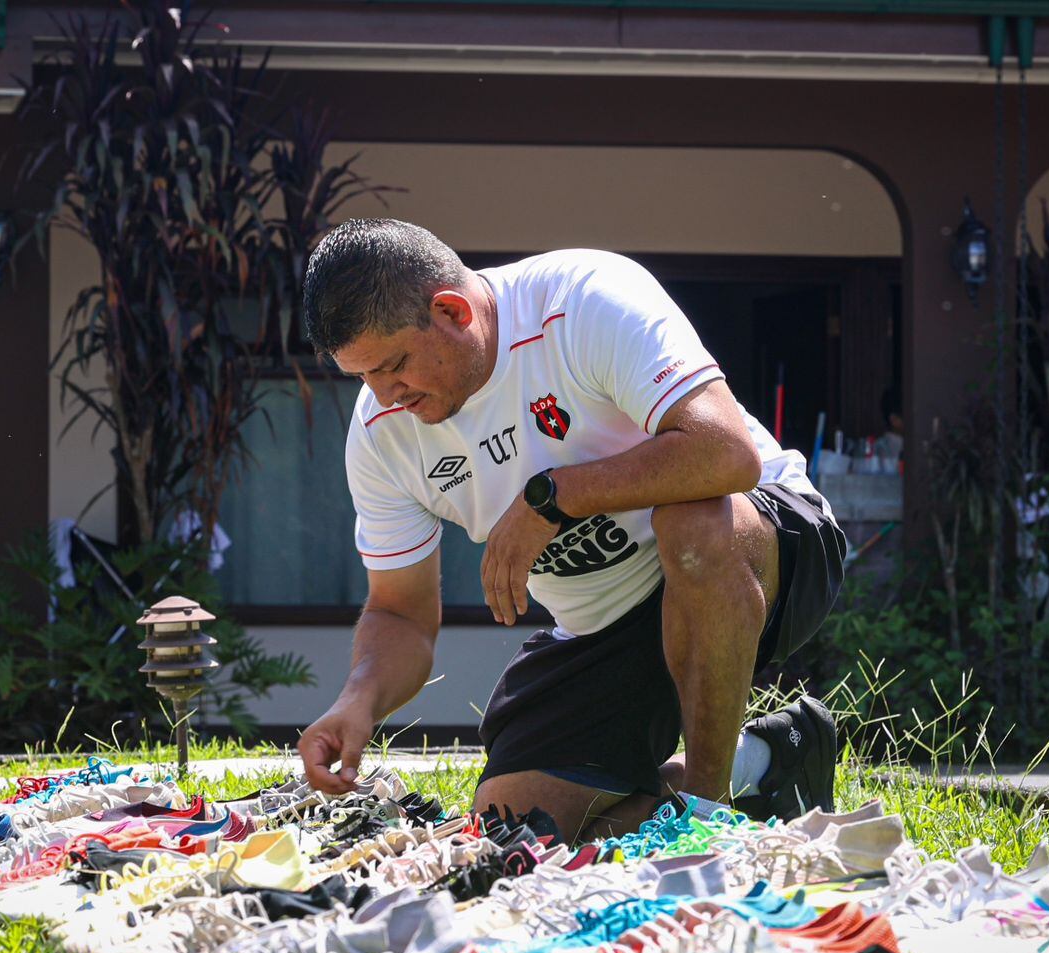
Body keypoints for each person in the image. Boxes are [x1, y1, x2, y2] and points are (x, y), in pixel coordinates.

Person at [294, 219, 847, 843]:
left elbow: (725, 454)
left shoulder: (584, 298)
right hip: (605, 627)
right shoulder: (380, 435)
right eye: (362, 377)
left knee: (691, 518)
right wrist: (357, 702)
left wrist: (553, 498)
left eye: (394, 367)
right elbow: (400, 615)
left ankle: (705, 819)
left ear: (451, 312)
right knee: (516, 828)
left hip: (762, 541)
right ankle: (770, 762)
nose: (385, 398)